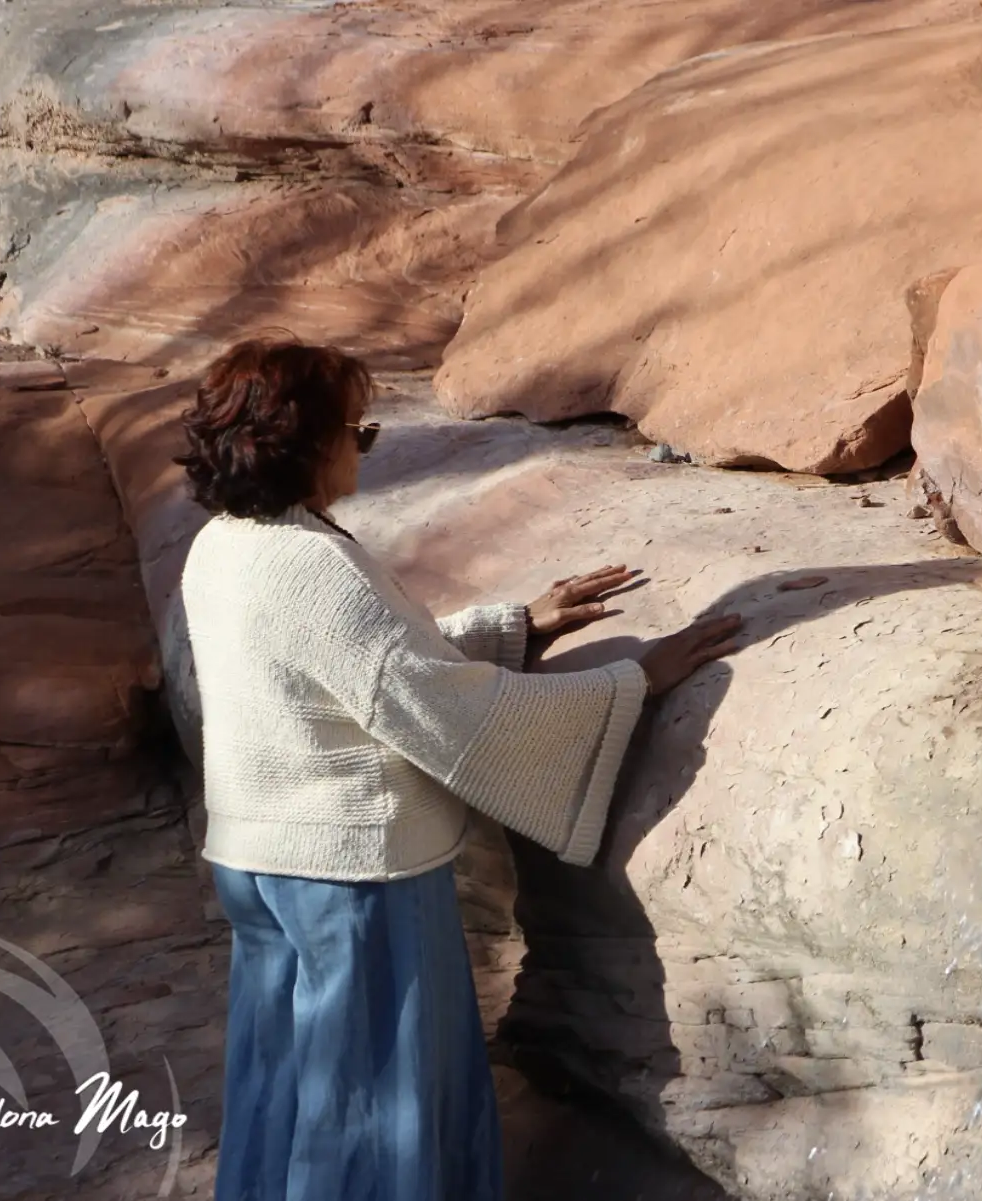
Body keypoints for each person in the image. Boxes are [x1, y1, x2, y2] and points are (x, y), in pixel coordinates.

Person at [174, 338, 741, 1201]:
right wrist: (632, 681)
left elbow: (352, 669)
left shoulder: (223, 543)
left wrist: (518, 626)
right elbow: (441, 707)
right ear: (300, 442)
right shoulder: (314, 564)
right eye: (354, 433)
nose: (361, 448)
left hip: (256, 860)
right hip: (351, 874)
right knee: (378, 1110)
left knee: (285, 1086)